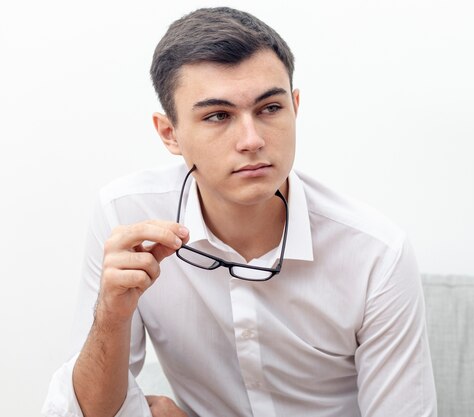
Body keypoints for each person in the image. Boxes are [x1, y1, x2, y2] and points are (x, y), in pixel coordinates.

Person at [42, 7, 437, 417]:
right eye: (218, 116)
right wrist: (111, 315)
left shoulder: (377, 253)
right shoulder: (126, 215)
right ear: (169, 134)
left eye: (270, 109)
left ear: (295, 107)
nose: (251, 140)